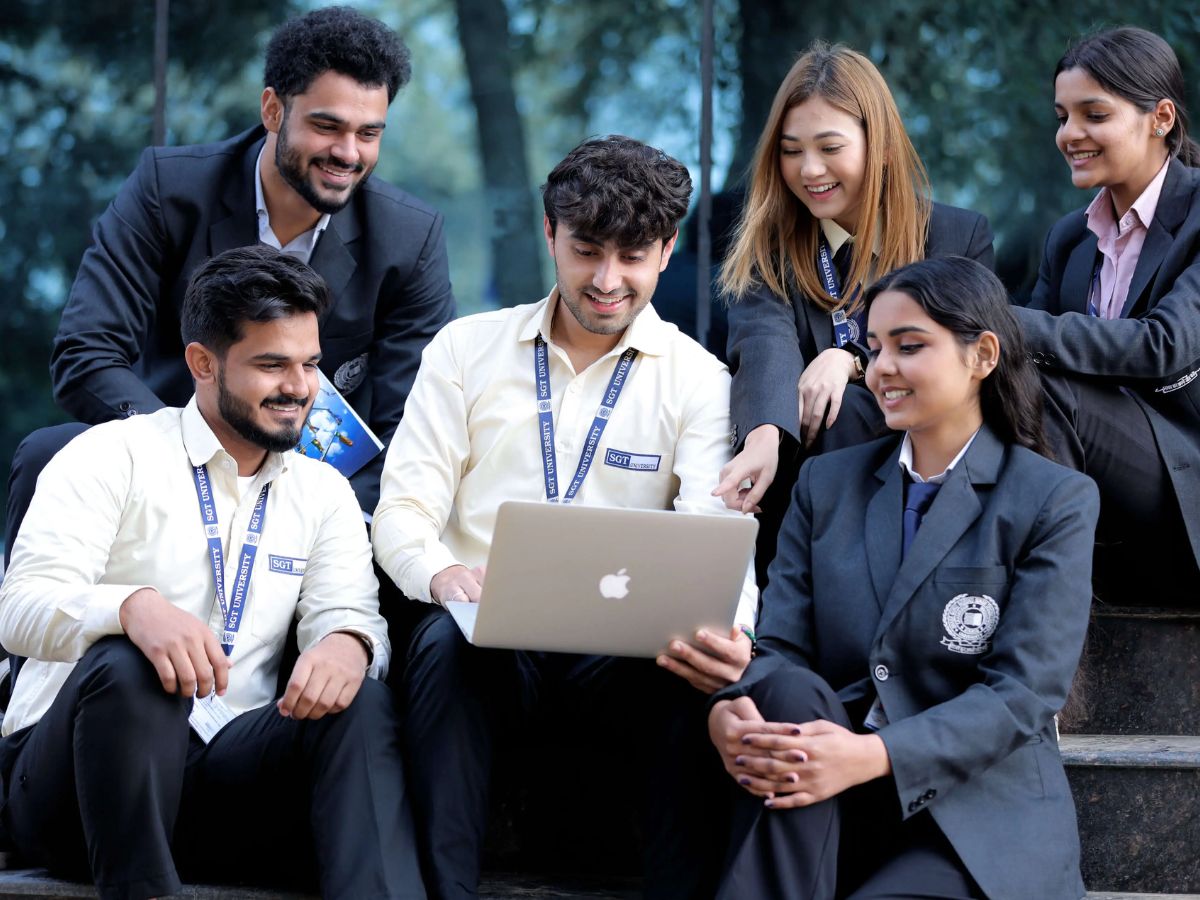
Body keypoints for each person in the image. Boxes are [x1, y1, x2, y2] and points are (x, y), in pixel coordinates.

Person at [372, 135, 758, 900]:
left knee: (692, 672)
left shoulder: (697, 380)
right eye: (586, 251)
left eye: (633, 256)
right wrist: (441, 573)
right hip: (482, 638)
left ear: (668, 249)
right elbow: (403, 508)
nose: (608, 281)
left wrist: (729, 627)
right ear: (550, 234)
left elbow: (711, 537)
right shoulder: (465, 351)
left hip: (619, 659)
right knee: (451, 651)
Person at [0, 247, 423, 900]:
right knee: (133, 659)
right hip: (74, 788)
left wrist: (348, 642)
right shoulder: (111, 455)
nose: (299, 387)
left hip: (222, 771)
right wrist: (132, 608)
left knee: (356, 695)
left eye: (309, 364)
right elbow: (19, 609)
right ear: (203, 363)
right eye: (271, 364)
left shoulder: (324, 492)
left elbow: (350, 613)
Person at [707, 256, 1099, 900]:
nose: (881, 367)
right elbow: (779, 650)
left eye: (908, 346)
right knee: (786, 694)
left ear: (983, 355)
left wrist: (867, 757)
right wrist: (727, 712)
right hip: (822, 804)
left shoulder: (1054, 499)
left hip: (970, 822)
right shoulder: (826, 484)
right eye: (873, 347)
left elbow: (1023, 696)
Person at [11, 5, 454, 533]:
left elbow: (411, 421)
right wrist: (188, 457)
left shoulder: (409, 238)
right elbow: (87, 353)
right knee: (46, 454)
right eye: (326, 125)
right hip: (164, 458)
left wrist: (317, 509)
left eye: (368, 133)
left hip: (307, 489)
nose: (347, 153)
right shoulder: (167, 190)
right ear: (272, 110)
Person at [713, 42, 994, 585]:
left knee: (851, 414)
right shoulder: (770, 247)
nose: (809, 170)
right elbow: (763, 340)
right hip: (809, 475)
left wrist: (853, 359)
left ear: (880, 145)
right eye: (791, 150)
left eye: (829, 147)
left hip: (924, 460)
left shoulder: (956, 236)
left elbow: (963, 353)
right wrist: (766, 433)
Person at [1013, 26, 1200, 603]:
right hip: (1092, 474)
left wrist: (995, 318)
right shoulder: (1071, 238)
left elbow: (1165, 346)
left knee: (1046, 390)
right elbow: (1020, 358)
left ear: (1161, 118)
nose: (1070, 134)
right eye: (1062, 116)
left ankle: (1038, 606)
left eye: (1093, 114)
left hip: (1181, 478)